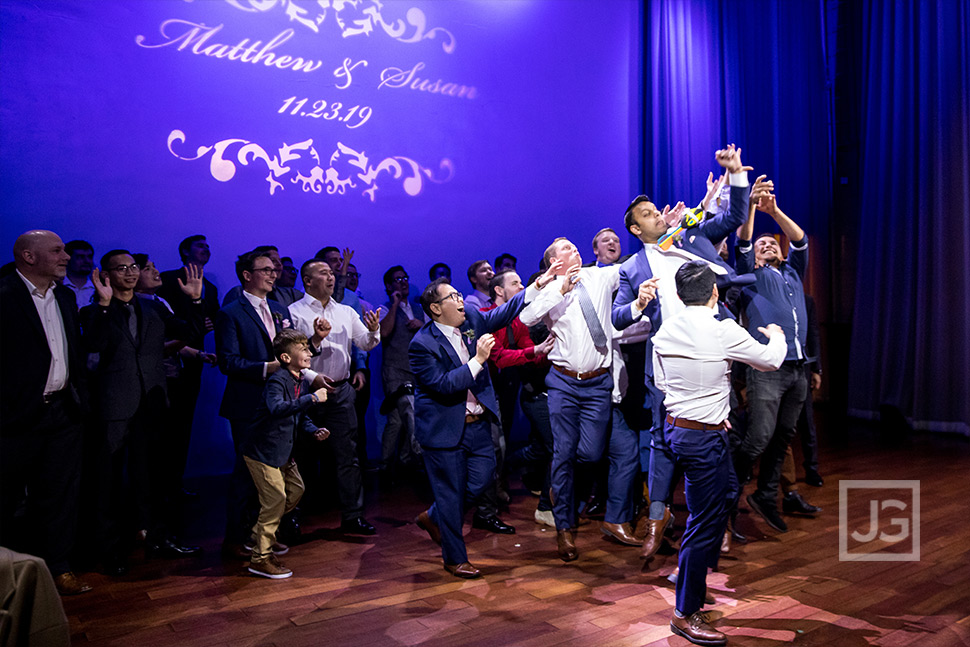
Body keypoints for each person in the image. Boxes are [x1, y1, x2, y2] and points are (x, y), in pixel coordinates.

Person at [611, 145, 754, 562]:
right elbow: (619, 318)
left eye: (656, 210)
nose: (656, 214)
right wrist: (638, 304)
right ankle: (658, 520)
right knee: (661, 441)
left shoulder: (691, 236)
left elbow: (731, 217)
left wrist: (735, 176)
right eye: (647, 215)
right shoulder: (632, 269)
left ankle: (720, 522)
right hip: (667, 366)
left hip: (712, 352)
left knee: (720, 433)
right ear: (636, 231)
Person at [652, 261, 786, 646]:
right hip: (702, 438)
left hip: (680, 429)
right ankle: (685, 612)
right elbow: (771, 359)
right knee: (704, 522)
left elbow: (663, 384)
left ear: (679, 295)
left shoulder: (665, 332)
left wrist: (709, 412)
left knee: (727, 493)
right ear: (714, 293)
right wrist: (775, 333)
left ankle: (690, 571)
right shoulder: (722, 329)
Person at [409, 272, 553, 577]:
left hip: (478, 423)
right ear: (436, 308)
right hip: (444, 430)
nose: (462, 301)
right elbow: (445, 384)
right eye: (453, 297)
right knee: (450, 494)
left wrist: (539, 286)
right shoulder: (421, 345)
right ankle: (454, 558)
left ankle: (434, 516)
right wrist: (478, 359)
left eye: (460, 295)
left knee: (483, 479)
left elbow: (505, 312)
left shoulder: (472, 318)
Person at [81, 250, 205, 575]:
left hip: (150, 405)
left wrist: (193, 301)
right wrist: (106, 304)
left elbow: (189, 333)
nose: (130, 272)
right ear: (105, 275)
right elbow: (92, 343)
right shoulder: (93, 310)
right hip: (113, 407)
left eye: (133, 267)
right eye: (121, 268)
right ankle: (110, 550)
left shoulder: (153, 307)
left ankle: (158, 538)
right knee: (108, 483)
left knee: (152, 478)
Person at [0, 230, 91, 596]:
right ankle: (9, 575)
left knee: (58, 496)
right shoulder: (4, 295)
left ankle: (58, 568)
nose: (66, 256)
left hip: (62, 414)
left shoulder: (66, 297)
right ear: (28, 256)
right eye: (56, 251)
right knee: (5, 498)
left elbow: (76, 352)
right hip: (14, 419)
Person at [518, 239, 619, 561]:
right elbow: (527, 318)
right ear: (552, 260)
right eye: (564, 248)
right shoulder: (549, 292)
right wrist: (556, 289)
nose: (573, 249)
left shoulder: (598, 277)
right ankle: (564, 526)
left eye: (575, 247)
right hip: (563, 383)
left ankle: (561, 488)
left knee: (589, 454)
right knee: (562, 454)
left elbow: (636, 263)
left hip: (597, 384)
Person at [733, 188, 817, 533]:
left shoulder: (794, 273)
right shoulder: (751, 276)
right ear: (753, 257)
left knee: (783, 437)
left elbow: (801, 240)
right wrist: (753, 209)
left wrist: (775, 210)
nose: (767, 245)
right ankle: (727, 494)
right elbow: (742, 241)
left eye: (773, 243)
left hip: (798, 368)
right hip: (767, 369)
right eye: (761, 245)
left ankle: (766, 496)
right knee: (758, 438)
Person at [289, 259, 381, 535]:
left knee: (348, 456)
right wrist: (314, 343)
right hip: (305, 392)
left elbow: (365, 343)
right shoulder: (295, 312)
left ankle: (353, 516)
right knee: (301, 457)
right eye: (324, 273)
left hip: (340, 391)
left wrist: (374, 329)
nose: (331, 278)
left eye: (332, 274)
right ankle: (293, 518)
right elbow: (291, 358)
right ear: (307, 280)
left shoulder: (345, 311)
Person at [216, 249, 299, 556]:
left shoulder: (279, 308)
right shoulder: (231, 312)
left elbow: (292, 352)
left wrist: (312, 344)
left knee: (274, 474)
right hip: (248, 403)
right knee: (247, 473)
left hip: (278, 402)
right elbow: (228, 361)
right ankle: (235, 538)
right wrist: (268, 368)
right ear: (247, 275)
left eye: (273, 270)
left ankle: (263, 533)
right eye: (264, 270)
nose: (272, 274)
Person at [242, 329, 330, 579]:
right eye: (301, 347)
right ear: (285, 357)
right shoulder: (278, 380)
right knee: (275, 499)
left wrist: (314, 429)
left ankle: (259, 535)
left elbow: (297, 415)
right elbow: (277, 408)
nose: (307, 351)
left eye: (307, 346)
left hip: (283, 451)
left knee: (295, 490)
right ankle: (260, 557)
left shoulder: (298, 380)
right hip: (264, 452)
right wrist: (312, 398)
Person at [484, 270, 555, 526]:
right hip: (488, 388)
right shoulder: (484, 317)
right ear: (499, 291)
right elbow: (500, 356)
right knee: (496, 444)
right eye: (515, 283)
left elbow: (530, 352)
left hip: (512, 385)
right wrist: (535, 351)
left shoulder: (520, 320)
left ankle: (503, 478)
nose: (521, 286)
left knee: (508, 442)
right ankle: (489, 499)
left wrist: (551, 353)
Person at [157, 236, 221, 498]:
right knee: (165, 428)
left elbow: (214, 317)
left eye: (208, 245)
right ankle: (161, 484)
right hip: (168, 360)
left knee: (184, 425)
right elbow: (162, 318)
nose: (206, 249)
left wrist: (210, 324)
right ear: (184, 251)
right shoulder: (168, 279)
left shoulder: (212, 288)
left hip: (194, 360)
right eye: (199, 246)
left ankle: (176, 482)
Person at [378, 265, 424, 476]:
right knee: (409, 413)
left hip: (416, 370)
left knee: (397, 420)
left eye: (405, 278)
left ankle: (395, 463)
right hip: (395, 371)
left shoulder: (419, 308)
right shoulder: (384, 308)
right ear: (389, 285)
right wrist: (395, 304)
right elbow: (384, 333)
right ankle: (417, 459)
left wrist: (421, 325)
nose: (403, 282)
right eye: (398, 279)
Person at [223, 245, 302, 307]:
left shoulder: (289, 293)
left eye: (280, 261)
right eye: (273, 261)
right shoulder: (238, 293)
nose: (279, 264)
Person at [63, 240, 96, 309]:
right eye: (80, 257)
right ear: (68, 259)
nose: (87, 261)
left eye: (90, 257)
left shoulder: (97, 289)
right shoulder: (57, 287)